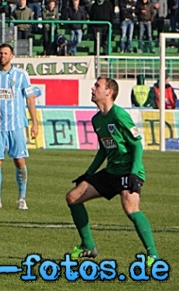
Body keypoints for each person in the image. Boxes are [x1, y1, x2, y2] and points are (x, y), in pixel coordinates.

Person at [65, 76, 160, 265]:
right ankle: (88, 246)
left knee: (130, 207)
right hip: (112, 171)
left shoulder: (119, 115)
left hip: (128, 171)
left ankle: (153, 256)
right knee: (73, 197)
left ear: (109, 92)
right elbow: (103, 149)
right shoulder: (96, 120)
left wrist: (133, 173)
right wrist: (89, 173)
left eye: (97, 86)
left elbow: (137, 145)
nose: (93, 88)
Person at [0, 43, 39, 210]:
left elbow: (30, 99)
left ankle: (22, 198)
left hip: (16, 125)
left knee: (19, 160)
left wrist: (34, 123)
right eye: (0, 53)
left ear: (12, 56)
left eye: (6, 53)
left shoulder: (21, 75)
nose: (2, 56)